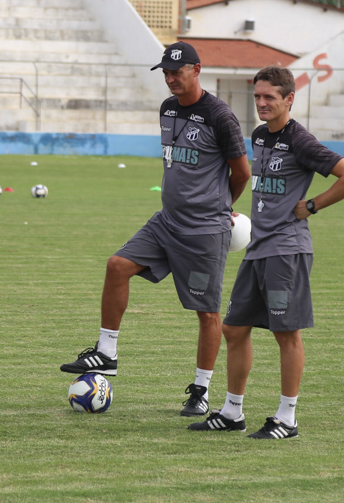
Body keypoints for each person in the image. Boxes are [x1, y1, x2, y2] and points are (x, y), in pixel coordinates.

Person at [60, 42, 251, 417]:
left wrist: (221, 206)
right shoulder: (166, 109)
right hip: (166, 221)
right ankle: (107, 353)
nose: (170, 78)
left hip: (204, 230)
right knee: (117, 265)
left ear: (196, 70)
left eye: (176, 71)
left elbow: (241, 172)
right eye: (165, 72)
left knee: (207, 313)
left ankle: (201, 391)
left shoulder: (220, 116)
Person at [188, 66, 344, 437]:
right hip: (258, 248)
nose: (262, 103)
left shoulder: (301, 141)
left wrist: (312, 205)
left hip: (287, 250)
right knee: (234, 329)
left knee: (286, 334)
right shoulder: (258, 136)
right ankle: (232, 412)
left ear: (289, 99)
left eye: (270, 97)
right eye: (258, 97)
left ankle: (287, 418)